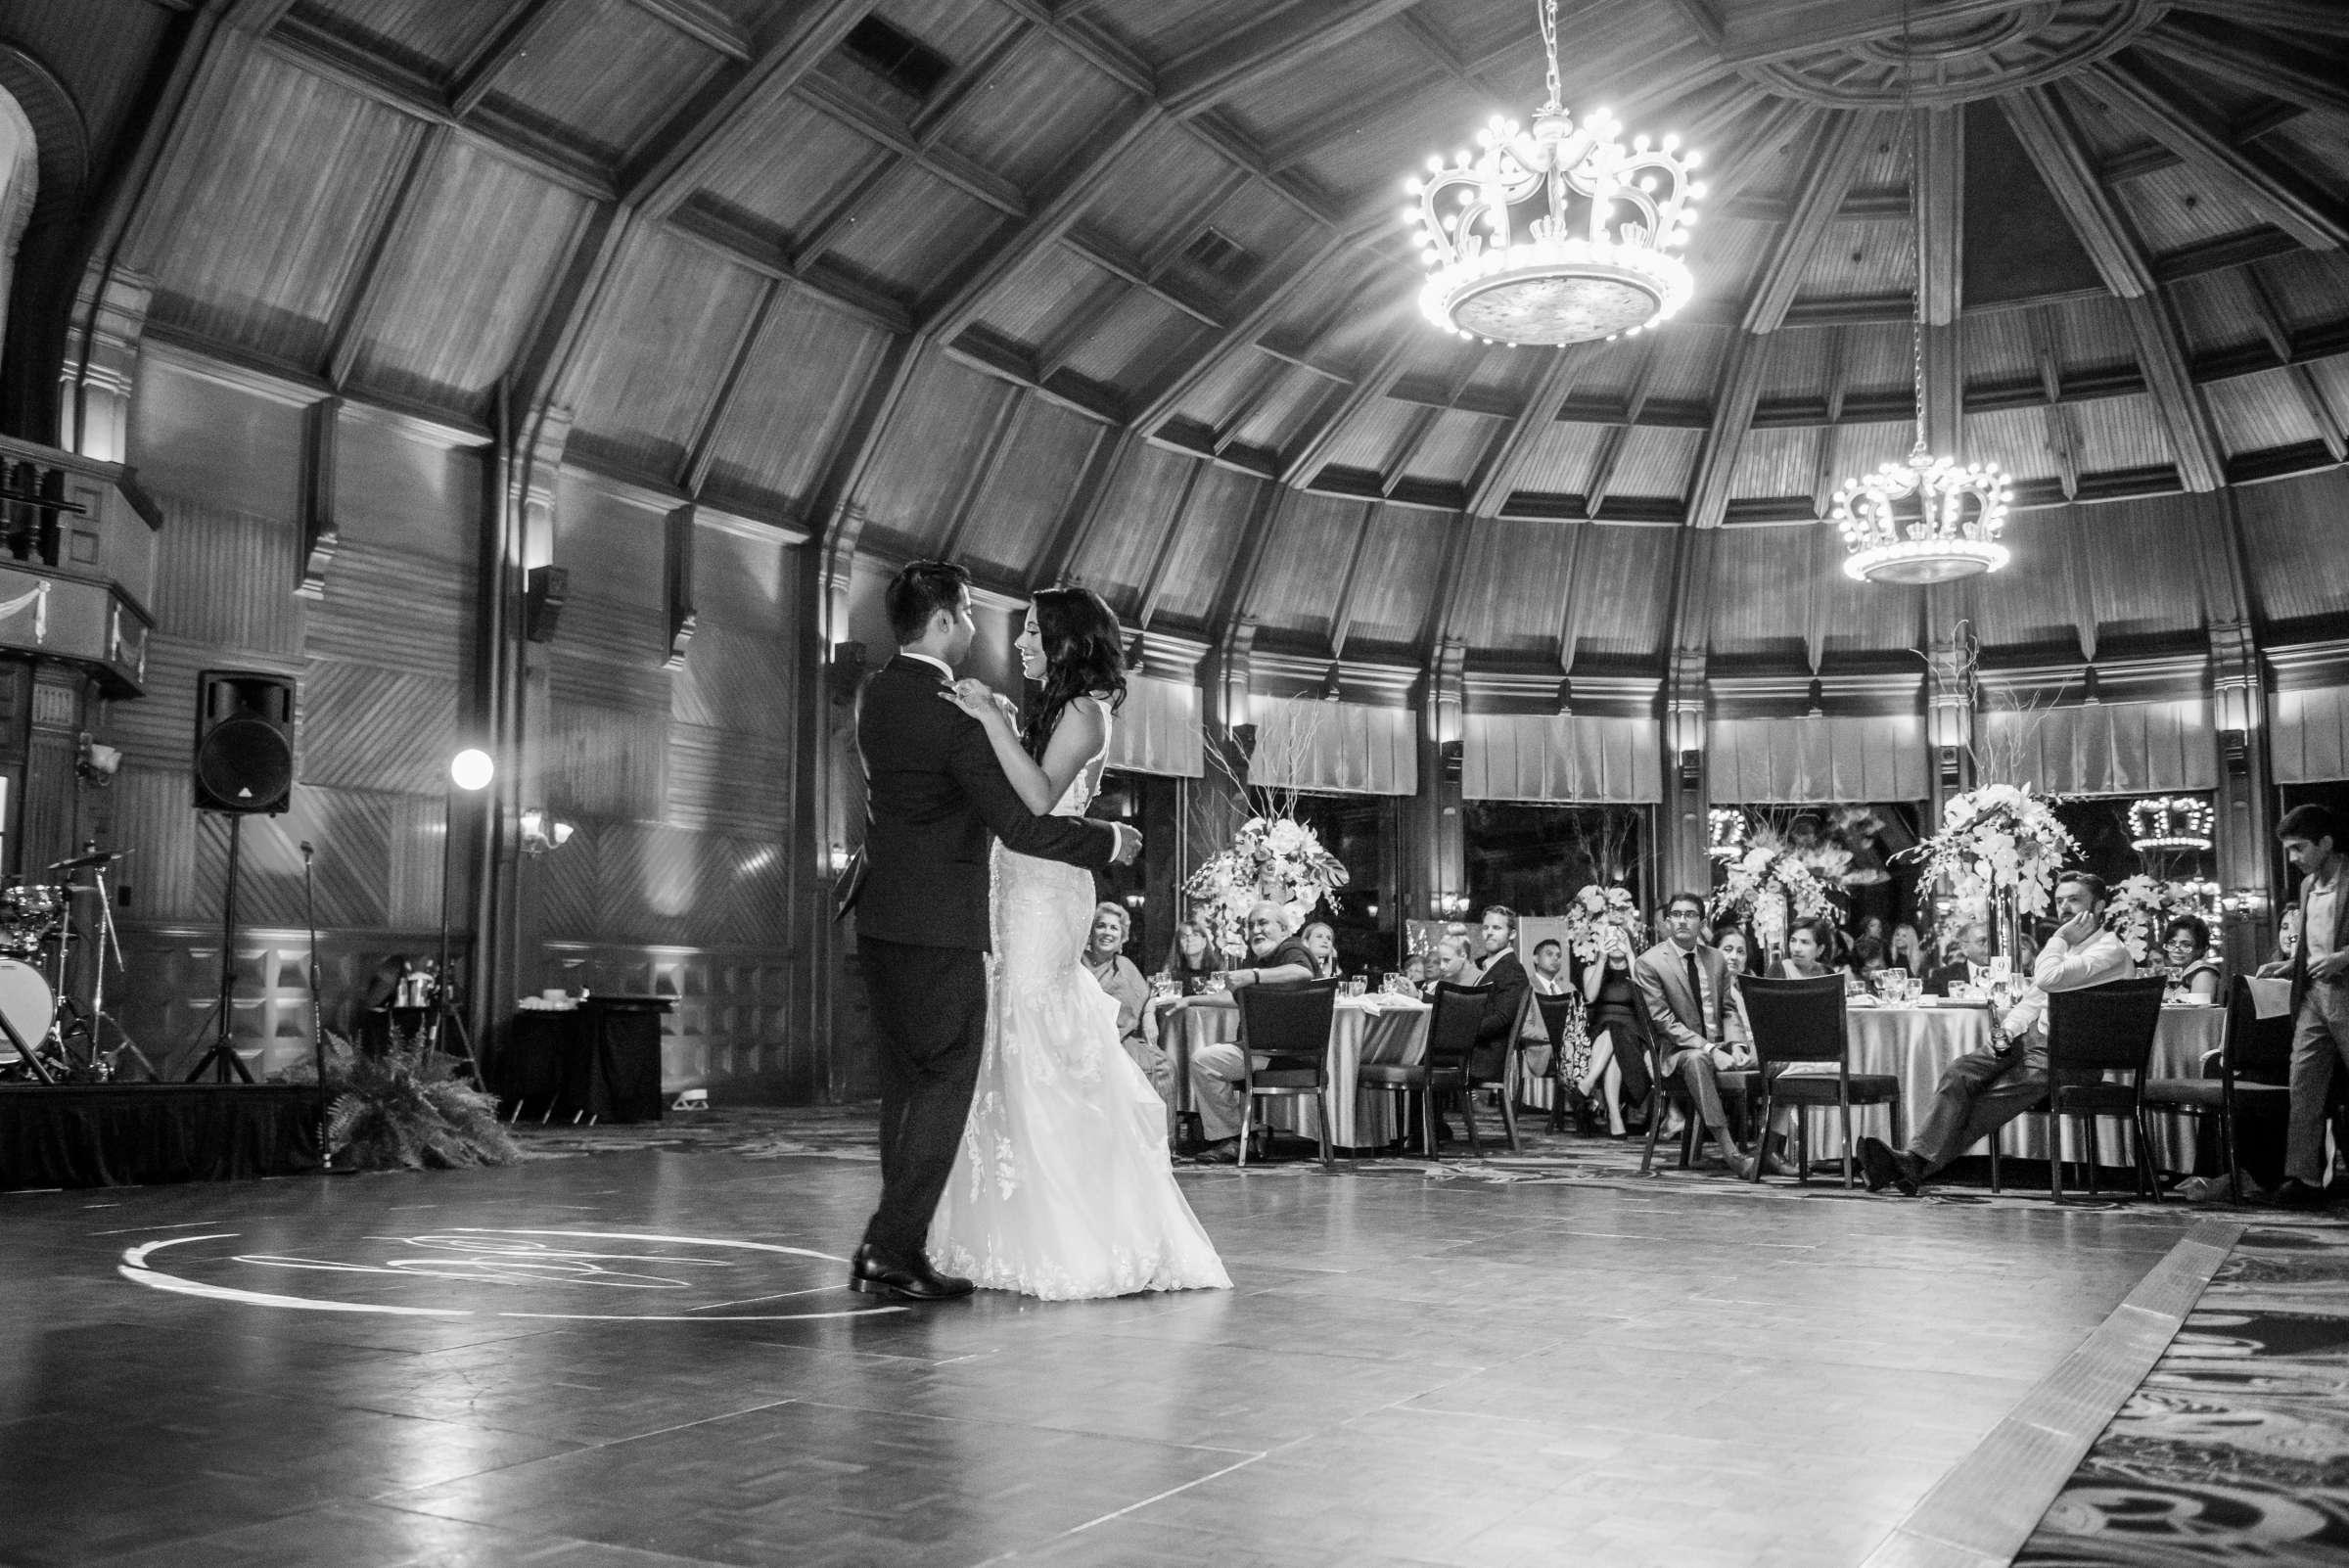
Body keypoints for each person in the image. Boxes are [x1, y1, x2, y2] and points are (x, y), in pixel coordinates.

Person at [845, 561, 1142, 1304]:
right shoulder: (951, 712)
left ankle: (901, 1236)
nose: (988, 632)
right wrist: (1109, 843)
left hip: (881, 919)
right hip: (947, 921)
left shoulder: (874, 694)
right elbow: (1021, 823)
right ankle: (894, 1244)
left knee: (905, 1085)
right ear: (944, 621)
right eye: (973, 613)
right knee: (949, 1078)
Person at [927, 583, 1226, 1298]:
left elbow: (1035, 797)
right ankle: (1007, 1219)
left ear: (1066, 641)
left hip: (1048, 892)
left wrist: (989, 718)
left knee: (1037, 1027)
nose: (1022, 645)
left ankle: (1073, 1227)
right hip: (1019, 882)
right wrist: (1003, 715)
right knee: (1008, 1030)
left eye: (1033, 633)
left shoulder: (1086, 712)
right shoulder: (1059, 709)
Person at [1859, 871, 2133, 1197]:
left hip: (2076, 1056)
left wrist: (2059, 937)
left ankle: (1912, 1164)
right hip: (2033, 1045)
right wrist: (2006, 1032)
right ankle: (1909, 1166)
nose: (2065, 907)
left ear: (2099, 906)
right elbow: (2032, 1001)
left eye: (2074, 899)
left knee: (1991, 1097)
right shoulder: (2064, 950)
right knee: (1961, 1071)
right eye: (2060, 900)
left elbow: (2047, 978)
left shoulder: (2109, 950)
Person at [1632, 892, 1756, 1176]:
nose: (1682, 920)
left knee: (1779, 1059)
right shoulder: (1650, 962)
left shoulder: (1715, 958)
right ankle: (1731, 1152)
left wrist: (1737, 1046)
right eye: (1676, 914)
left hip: (1720, 1046)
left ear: (1701, 922)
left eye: (1690, 915)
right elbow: (1664, 1022)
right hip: (1677, 1054)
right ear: (1667, 922)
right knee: (1698, 1060)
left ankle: (1770, 1148)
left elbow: (1728, 1009)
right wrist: (1712, 1051)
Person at [1189, 900, 1317, 1164]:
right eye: (1250, 925)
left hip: (1277, 1052)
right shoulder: (1261, 958)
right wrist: (1191, 1000)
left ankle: (1233, 1140)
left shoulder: (1291, 949)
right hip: (1263, 1048)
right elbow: (1234, 996)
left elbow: (1303, 972)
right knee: (1208, 1059)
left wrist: (1254, 975)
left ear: (1284, 929)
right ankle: (1240, 1137)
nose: (1255, 930)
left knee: (1204, 1061)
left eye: (1262, 923)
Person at [2277, 806, 2349, 1209]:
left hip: (2346, 990)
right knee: (2303, 1085)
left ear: (2326, 842)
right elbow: (2311, 941)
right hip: (2313, 995)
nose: (2293, 858)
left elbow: (2334, 948)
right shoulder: (2306, 887)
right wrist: (2289, 964)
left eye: (2299, 848)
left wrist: (2344, 957)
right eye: (2288, 850)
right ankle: (2302, 1178)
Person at [1085, 901, 1169, 1101]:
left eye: (1114, 928)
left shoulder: (1124, 966)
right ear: (1091, 932)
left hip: (1118, 1038)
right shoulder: (1077, 962)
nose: (1107, 932)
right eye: (1101, 925)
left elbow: (1148, 995)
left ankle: (1161, 1133)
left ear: (1122, 937)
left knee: (1164, 1066)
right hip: (1083, 1040)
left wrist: (1149, 1016)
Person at [1580, 918, 1655, 1132]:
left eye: (1620, 937)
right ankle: (1615, 1115)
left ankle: (1589, 1084)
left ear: (1629, 941)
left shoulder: (1640, 969)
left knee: (1617, 1032)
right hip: (1600, 1033)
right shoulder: (1592, 970)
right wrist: (1602, 959)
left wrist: (1631, 956)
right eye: (1609, 937)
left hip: (1635, 1034)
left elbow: (1646, 997)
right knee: (1613, 1033)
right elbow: (1591, 996)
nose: (1614, 941)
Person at [2158, 914, 2223, 1002]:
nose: (2177, 950)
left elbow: (2200, 1007)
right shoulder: (2175, 972)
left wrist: (2168, 996)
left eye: (2186, 945)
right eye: (2172, 943)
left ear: (2200, 948)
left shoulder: (2203, 971)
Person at [1926, 924, 1991, 996]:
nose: (1989, 945)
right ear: (1965, 948)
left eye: (1992, 940)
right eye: (1982, 941)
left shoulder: (2004, 974)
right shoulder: (1943, 977)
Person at [1163, 918, 1223, 993]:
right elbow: (1164, 996)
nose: (1189, 940)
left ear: (1204, 942)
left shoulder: (1216, 968)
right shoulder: (1171, 969)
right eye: (1184, 937)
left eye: (1195, 935)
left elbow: (1224, 998)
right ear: (1179, 945)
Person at [1772, 916, 1837, 980]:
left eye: (1805, 942)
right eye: (1793, 941)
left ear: (1820, 949)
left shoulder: (1828, 973)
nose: (1796, 949)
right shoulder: (1778, 969)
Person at [2257, 903, 2304, 980]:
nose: (2289, 935)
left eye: (2296, 929)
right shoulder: (2272, 966)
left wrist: (2294, 937)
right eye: (2285, 927)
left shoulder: (2311, 968)